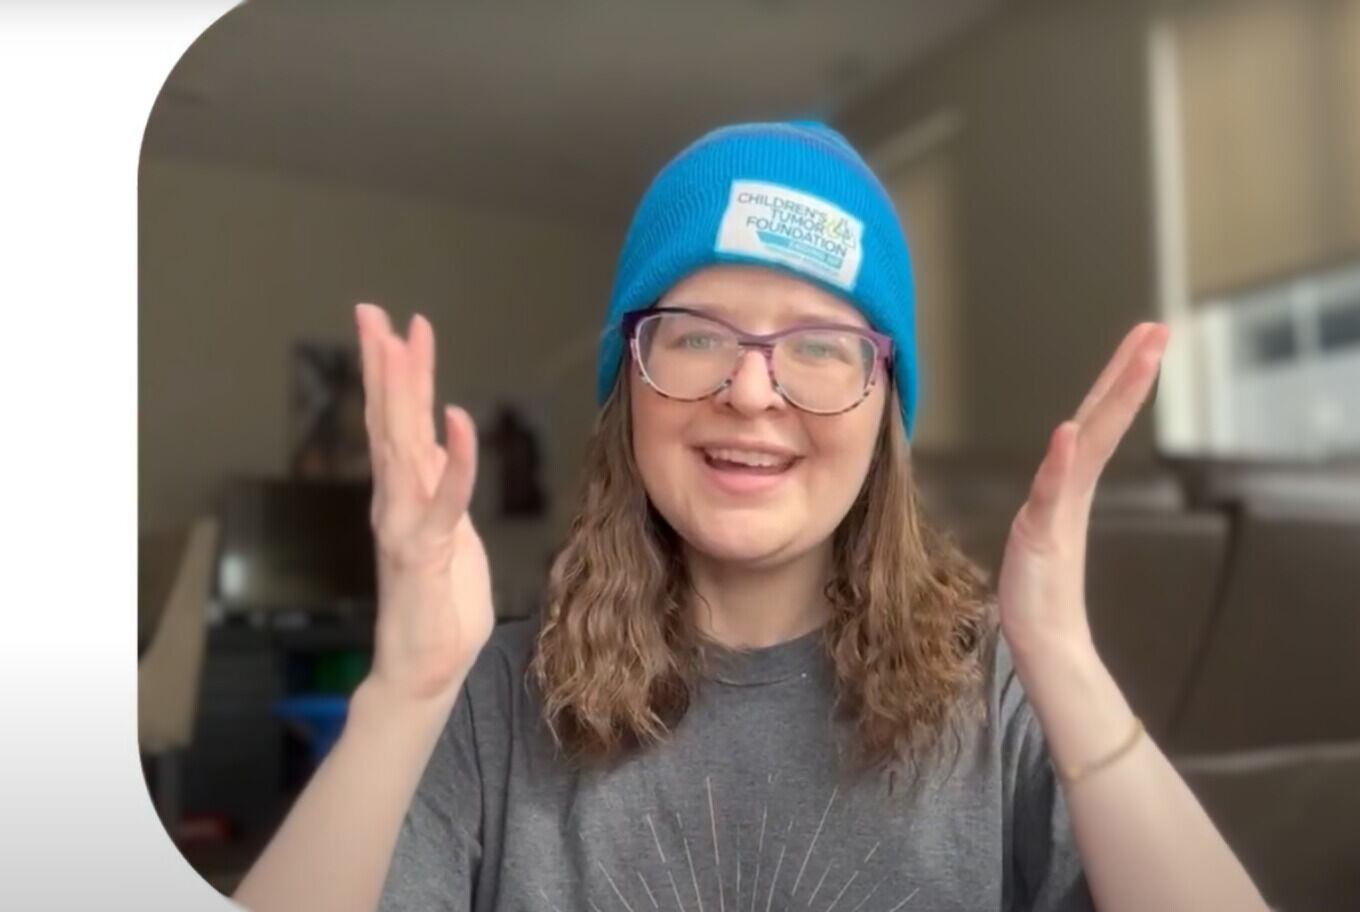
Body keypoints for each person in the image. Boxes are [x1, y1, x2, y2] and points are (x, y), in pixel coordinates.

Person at [231, 121, 1268, 912]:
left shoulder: (1000, 690)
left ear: (883, 410)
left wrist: (1066, 663)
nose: (753, 392)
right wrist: (405, 693)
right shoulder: (491, 705)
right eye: (695, 336)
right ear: (628, 386)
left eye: (820, 346)